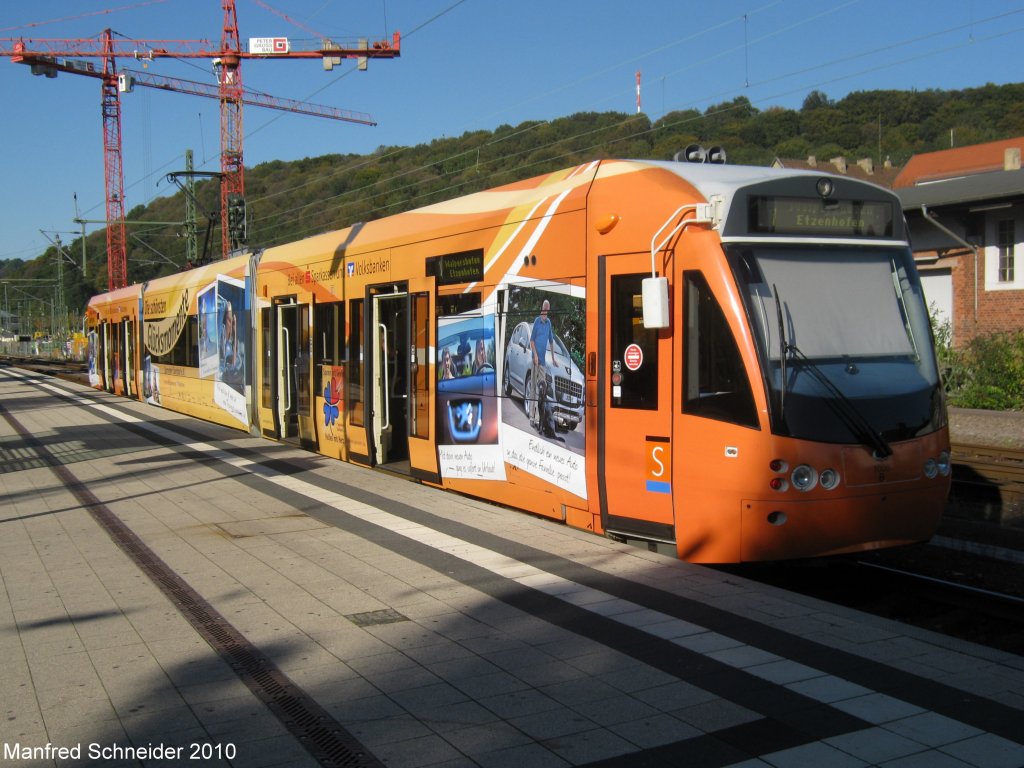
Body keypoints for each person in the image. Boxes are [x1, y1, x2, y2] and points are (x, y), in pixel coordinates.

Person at [529, 299, 554, 429]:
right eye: (544, 308)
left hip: (543, 362)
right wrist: (536, 356)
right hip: (535, 360)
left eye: (547, 309)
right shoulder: (537, 322)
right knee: (533, 388)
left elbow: (551, 341)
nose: (545, 311)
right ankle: (532, 418)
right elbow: (531, 340)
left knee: (541, 391)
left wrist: (554, 358)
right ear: (541, 308)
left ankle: (539, 420)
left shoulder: (548, 323)